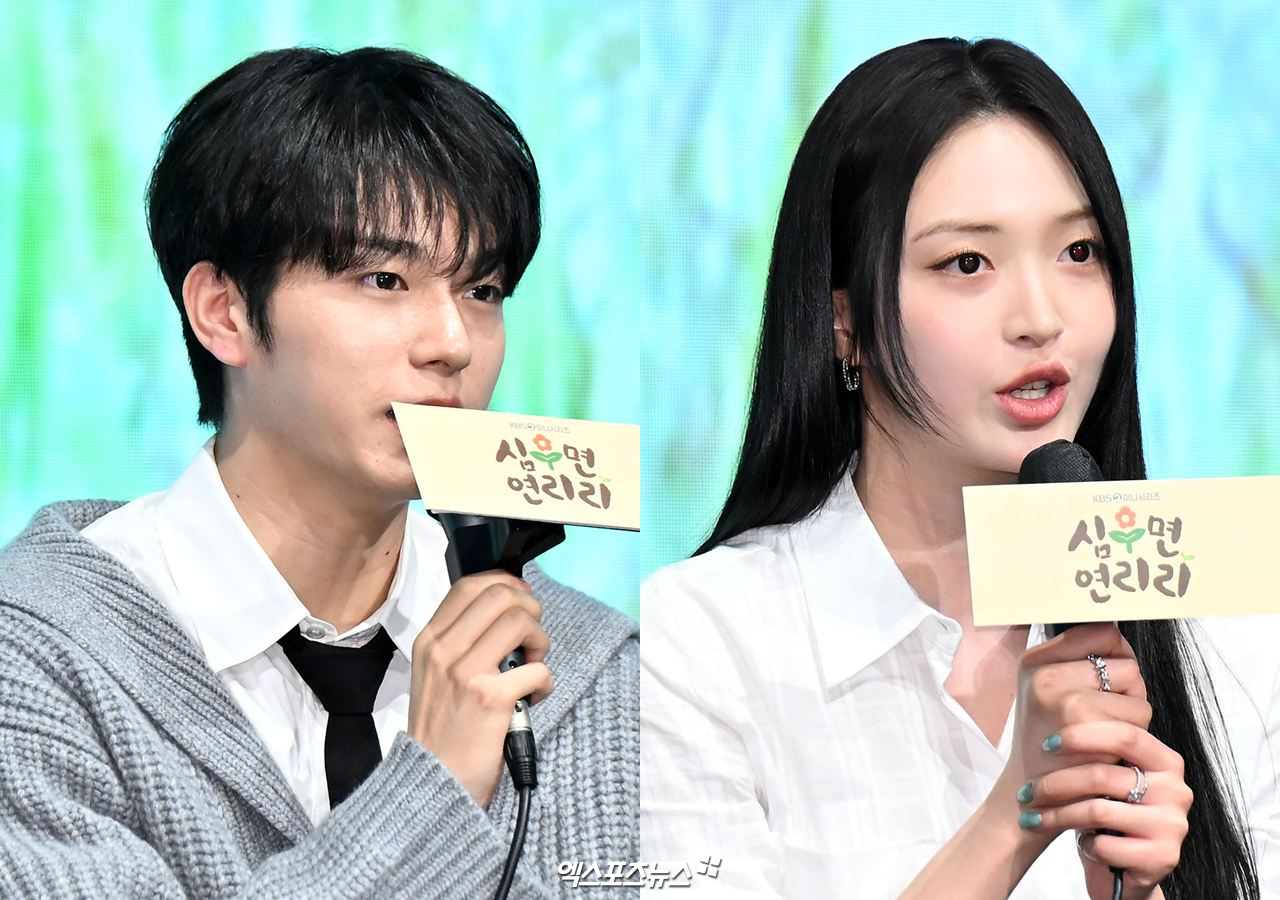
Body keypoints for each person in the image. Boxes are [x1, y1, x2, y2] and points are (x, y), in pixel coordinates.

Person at [640, 37, 1275, 899]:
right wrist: (1019, 814)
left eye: (1078, 252)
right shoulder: (704, 641)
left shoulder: (1233, 641)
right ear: (844, 321)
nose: (1041, 317)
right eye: (967, 263)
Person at [0, 47, 638, 898]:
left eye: (482, 290)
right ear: (225, 313)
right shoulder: (39, 656)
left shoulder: (584, 671)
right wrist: (434, 790)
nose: (453, 343)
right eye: (385, 279)